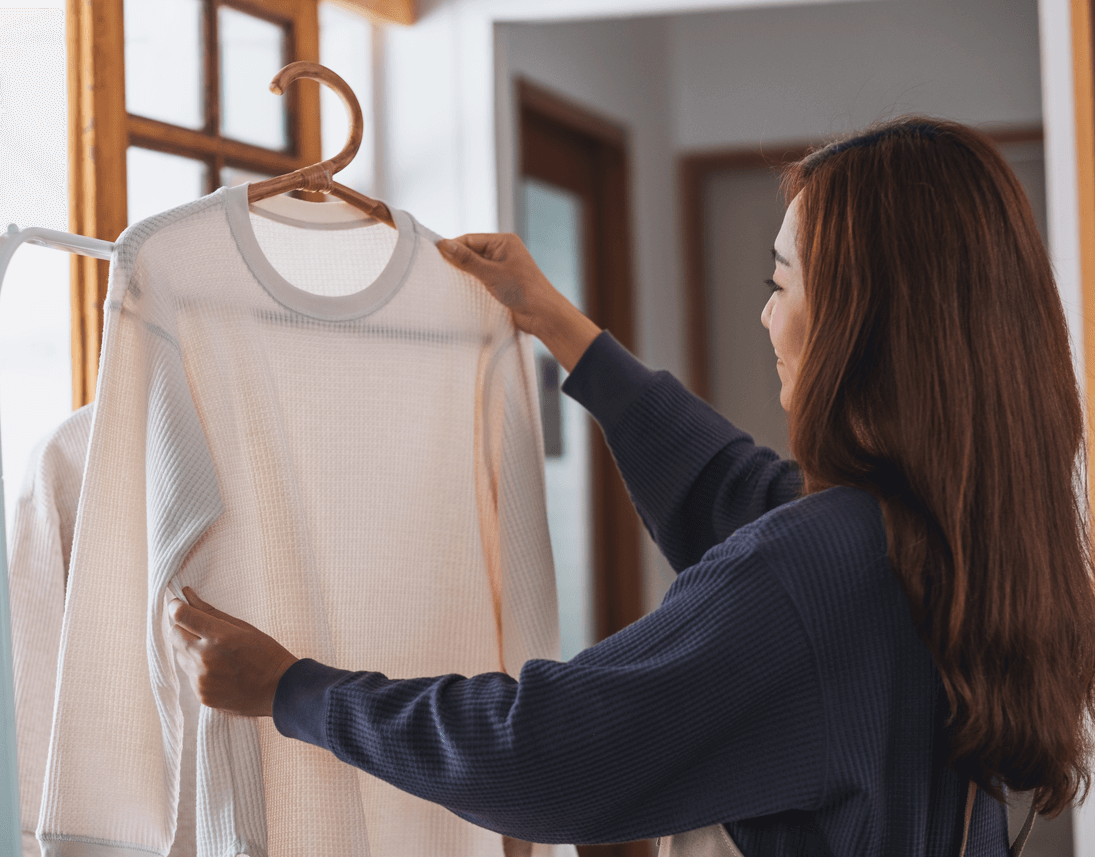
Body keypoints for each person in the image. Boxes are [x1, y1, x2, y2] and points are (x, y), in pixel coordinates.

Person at [167, 115, 1095, 856]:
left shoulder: (822, 568)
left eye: (782, 281)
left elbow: (547, 752)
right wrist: (569, 333)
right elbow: (747, 499)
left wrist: (296, 689)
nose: (767, 316)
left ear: (859, 325)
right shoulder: (976, 537)